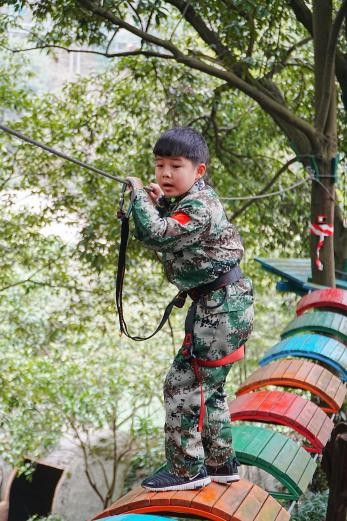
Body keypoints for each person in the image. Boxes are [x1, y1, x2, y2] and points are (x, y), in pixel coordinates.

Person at [125, 127, 254, 492]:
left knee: (182, 386)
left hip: (221, 308)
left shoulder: (199, 206)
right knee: (207, 386)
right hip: (221, 305)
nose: (165, 173)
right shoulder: (191, 200)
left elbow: (157, 234)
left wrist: (138, 198)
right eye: (159, 165)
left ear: (199, 171)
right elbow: (168, 223)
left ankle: (187, 471)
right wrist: (156, 202)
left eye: (175, 166)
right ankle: (220, 462)